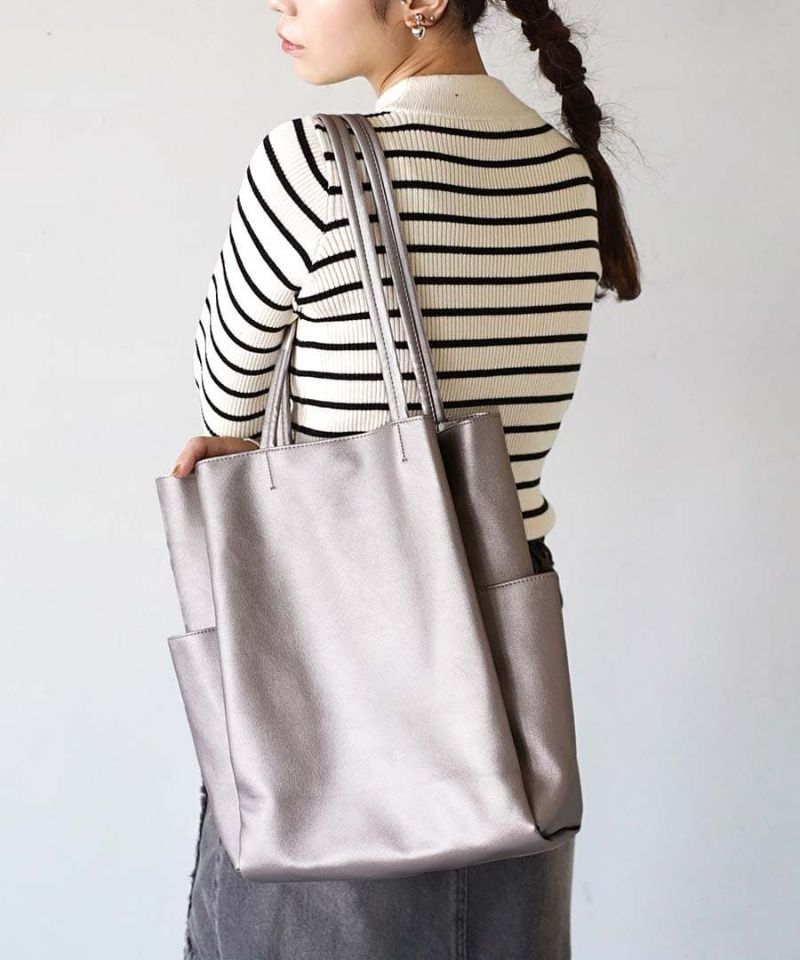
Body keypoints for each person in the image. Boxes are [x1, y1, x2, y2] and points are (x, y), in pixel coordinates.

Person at [168, 0, 640, 952]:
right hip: (506, 657)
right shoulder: (567, 173)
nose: (282, 3)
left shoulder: (312, 160)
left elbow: (225, 405)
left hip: (338, 647)